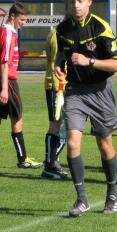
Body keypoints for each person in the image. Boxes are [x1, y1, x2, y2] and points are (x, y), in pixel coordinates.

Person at [54, 0, 117, 217]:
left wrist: (90, 61)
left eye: (80, 0)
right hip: (75, 91)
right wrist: (57, 64)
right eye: (72, 1)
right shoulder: (62, 29)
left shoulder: (101, 27)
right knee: (73, 143)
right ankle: (81, 199)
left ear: (89, 2)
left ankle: (112, 193)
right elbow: (61, 53)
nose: (76, 5)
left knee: (105, 145)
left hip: (100, 91)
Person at [0, 3, 42, 170]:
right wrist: (4, 88)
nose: (23, 23)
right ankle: (23, 159)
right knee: (17, 118)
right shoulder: (9, 33)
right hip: (6, 81)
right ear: (13, 16)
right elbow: (4, 62)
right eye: (22, 19)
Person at [41, 27, 68, 179]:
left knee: (63, 126)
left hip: (63, 86)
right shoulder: (59, 34)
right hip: (57, 87)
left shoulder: (62, 32)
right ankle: (49, 164)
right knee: (56, 124)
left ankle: (53, 160)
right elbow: (58, 61)